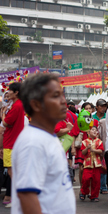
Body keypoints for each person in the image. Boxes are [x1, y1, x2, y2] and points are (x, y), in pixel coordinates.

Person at [11, 73, 75, 214]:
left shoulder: (47, 136)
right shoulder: (33, 142)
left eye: (62, 95)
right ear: (36, 104)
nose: (63, 101)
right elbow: (27, 196)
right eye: (55, 96)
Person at [1, 82, 25, 192]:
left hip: (11, 143)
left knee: (11, 170)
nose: (8, 92)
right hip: (13, 141)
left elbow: (6, 123)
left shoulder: (16, 106)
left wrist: (3, 114)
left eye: (10, 90)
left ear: (16, 92)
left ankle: (20, 195)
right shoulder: (17, 104)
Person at [80, 126, 104, 202]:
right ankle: (84, 192)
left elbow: (101, 151)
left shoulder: (99, 141)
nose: (94, 131)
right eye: (92, 130)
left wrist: (93, 150)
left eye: (95, 130)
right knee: (85, 179)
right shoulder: (85, 141)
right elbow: (83, 152)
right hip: (87, 164)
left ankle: (94, 196)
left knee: (96, 181)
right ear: (88, 132)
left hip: (96, 164)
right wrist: (87, 148)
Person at [93, 99, 108, 195]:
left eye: (105, 106)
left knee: (104, 165)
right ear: (97, 107)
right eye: (101, 106)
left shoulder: (107, 117)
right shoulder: (92, 117)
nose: (103, 108)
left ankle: (103, 186)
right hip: (94, 144)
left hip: (105, 143)